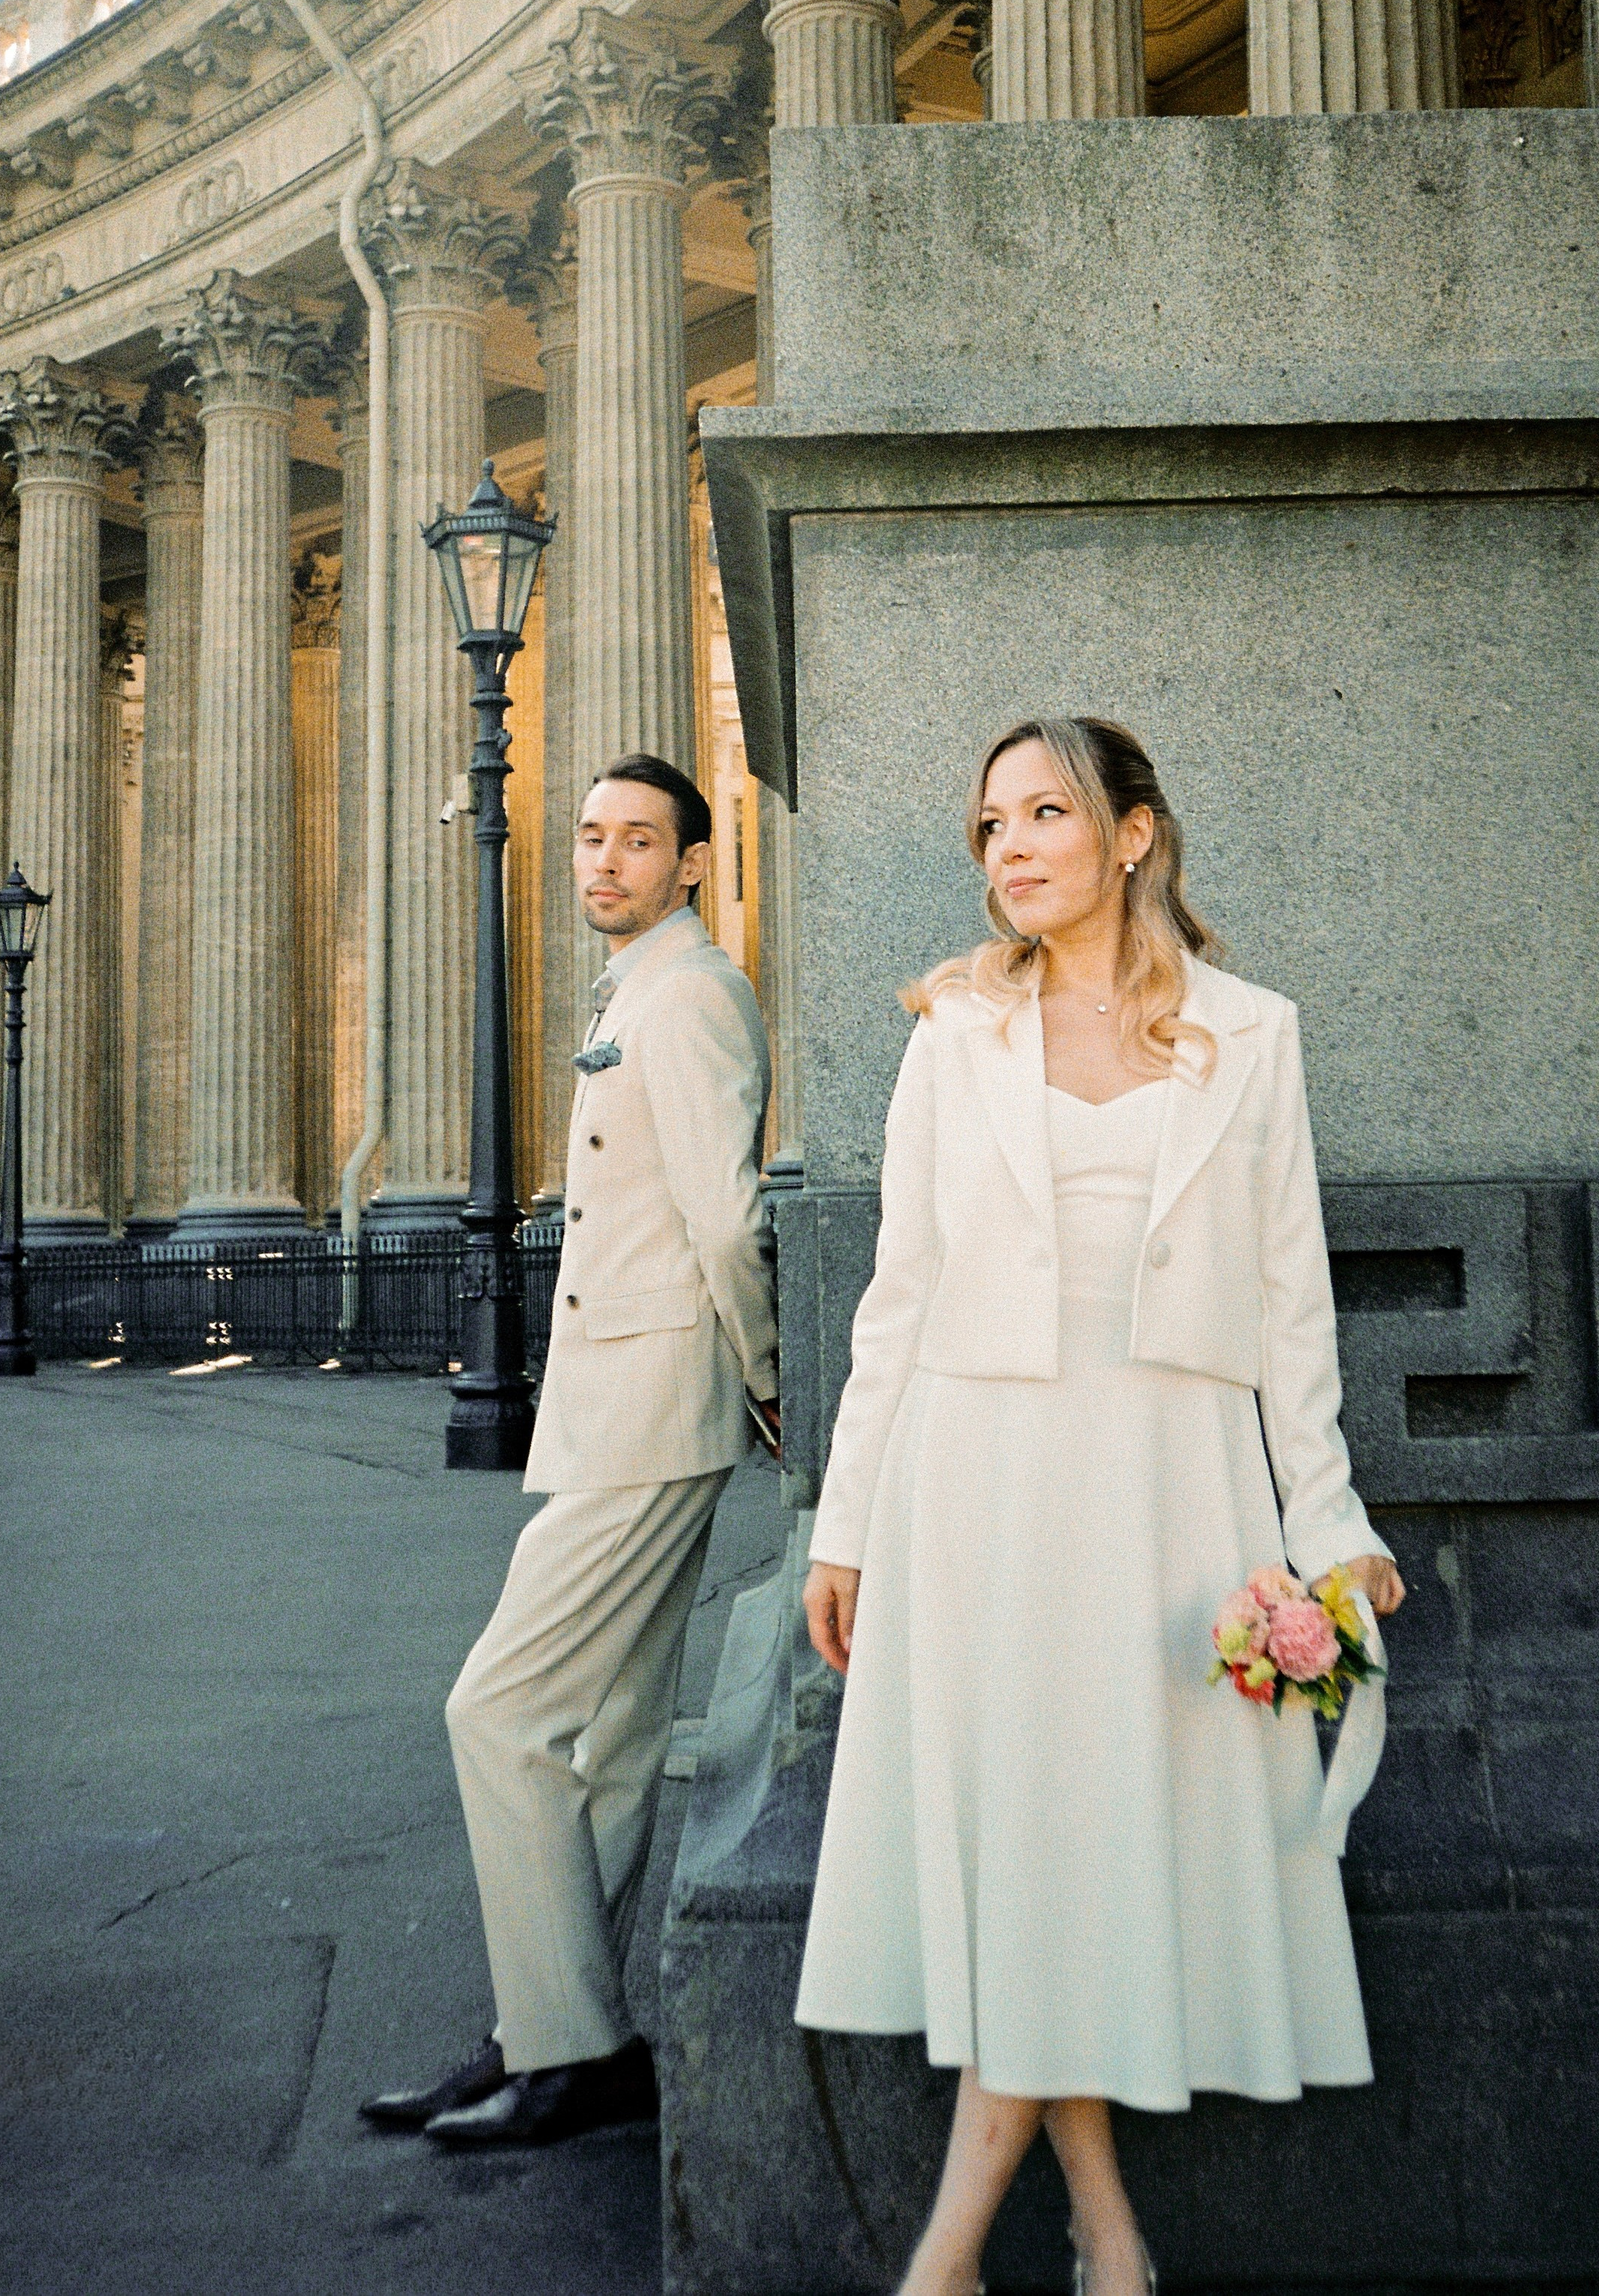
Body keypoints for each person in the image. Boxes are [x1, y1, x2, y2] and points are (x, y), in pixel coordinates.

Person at [797, 716, 1404, 2296]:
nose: (1009, 845)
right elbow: (897, 1292)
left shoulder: (1251, 1034)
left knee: (1086, 1845)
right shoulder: (951, 1034)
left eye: (1045, 810)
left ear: (1130, 833)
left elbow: (1291, 1309)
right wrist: (845, 1518)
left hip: (1164, 1482)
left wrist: (1327, 1528)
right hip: (978, 1473)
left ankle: (989, 2248)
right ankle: (1078, 2228)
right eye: (988, 821)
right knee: (1033, 1844)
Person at [361, 753, 778, 2149]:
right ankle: (551, 2030)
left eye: (638, 841)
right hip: (627, 1408)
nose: (603, 862)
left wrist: (767, 1375)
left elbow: (724, 1218)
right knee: (607, 1738)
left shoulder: (692, 995)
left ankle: (569, 2038)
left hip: (652, 1410)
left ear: (692, 863)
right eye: (590, 836)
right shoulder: (638, 989)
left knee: (498, 1710)